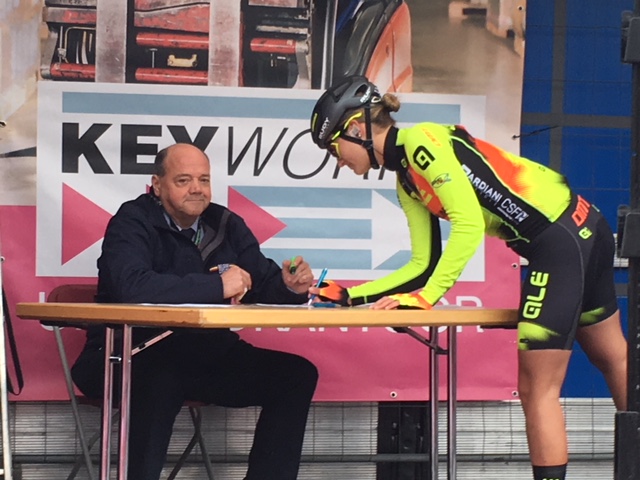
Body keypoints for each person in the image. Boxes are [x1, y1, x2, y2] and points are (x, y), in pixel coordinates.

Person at [307, 75, 628, 480]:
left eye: (333, 148)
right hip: (584, 225)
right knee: (611, 357)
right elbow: (423, 264)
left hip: (558, 244)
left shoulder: (420, 143)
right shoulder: (407, 178)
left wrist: (427, 298)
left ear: (357, 128)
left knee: (538, 389)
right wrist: (352, 296)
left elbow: (468, 224)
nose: (338, 161)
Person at [71, 143, 319, 480]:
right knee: (161, 380)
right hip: (129, 355)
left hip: (206, 355)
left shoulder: (225, 222)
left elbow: (260, 281)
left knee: (296, 375)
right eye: (183, 180)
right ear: (157, 185)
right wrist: (216, 286)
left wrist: (290, 287)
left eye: (204, 179)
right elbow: (131, 286)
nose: (196, 189)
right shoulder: (132, 220)